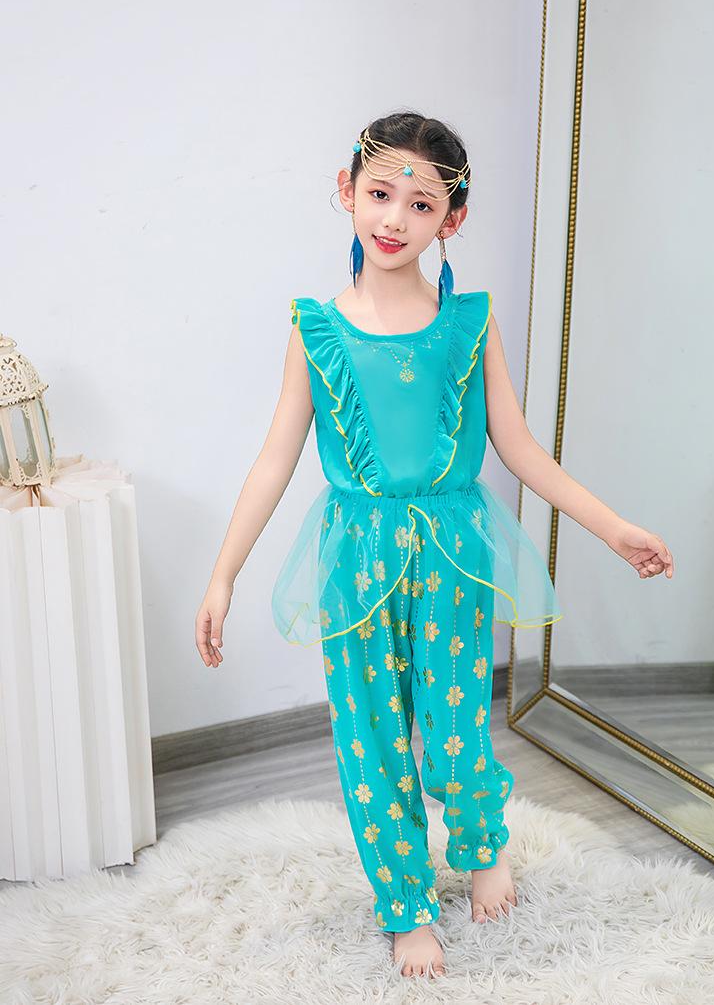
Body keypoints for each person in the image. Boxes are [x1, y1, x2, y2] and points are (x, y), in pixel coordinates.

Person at [194, 111, 674, 979]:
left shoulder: (469, 325)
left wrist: (613, 528)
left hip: (453, 553)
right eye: (380, 194)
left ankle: (483, 845)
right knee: (371, 737)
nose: (394, 218)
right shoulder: (316, 329)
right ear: (347, 191)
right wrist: (223, 574)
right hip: (356, 558)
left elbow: (519, 448)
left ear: (452, 218)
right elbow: (274, 460)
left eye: (420, 205)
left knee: (455, 727)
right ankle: (405, 903)